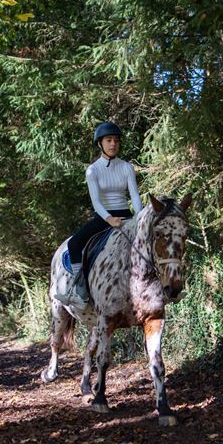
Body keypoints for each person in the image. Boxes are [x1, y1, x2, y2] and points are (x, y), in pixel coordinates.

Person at [55, 122, 143, 308]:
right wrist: (109, 219)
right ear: (99, 144)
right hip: (104, 217)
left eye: (116, 141)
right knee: (74, 243)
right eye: (109, 140)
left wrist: (140, 217)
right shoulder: (93, 170)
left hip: (126, 216)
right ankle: (80, 287)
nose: (113, 144)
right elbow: (96, 201)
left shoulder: (127, 167)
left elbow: (134, 195)